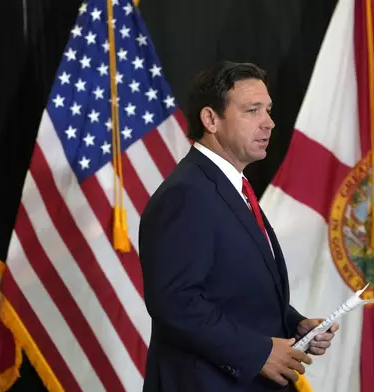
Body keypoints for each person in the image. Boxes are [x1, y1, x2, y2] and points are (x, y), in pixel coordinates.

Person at [139, 61, 339, 392]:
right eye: (252, 111)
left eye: (268, 110)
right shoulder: (186, 194)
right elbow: (175, 303)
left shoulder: (230, 186)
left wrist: (294, 323)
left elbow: (232, 287)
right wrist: (259, 352)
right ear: (211, 119)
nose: (269, 123)